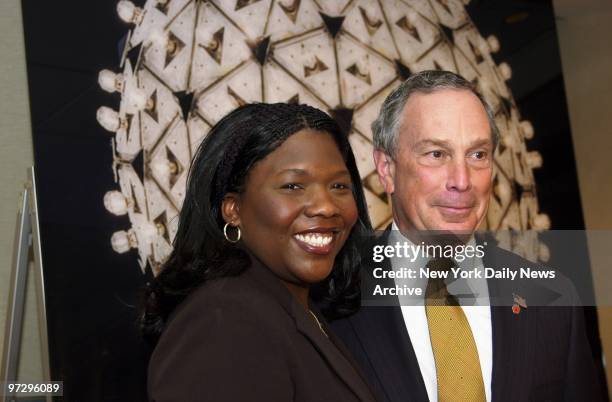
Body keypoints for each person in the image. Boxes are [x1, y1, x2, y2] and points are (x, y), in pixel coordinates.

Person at [331, 70, 604, 402]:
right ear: (387, 169)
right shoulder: (330, 299)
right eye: (436, 154)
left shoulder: (552, 299)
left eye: (478, 155)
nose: (462, 180)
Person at [142, 103, 378, 402]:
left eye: (339, 185)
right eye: (293, 185)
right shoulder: (223, 321)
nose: (326, 206)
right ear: (233, 209)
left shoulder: (294, 310)